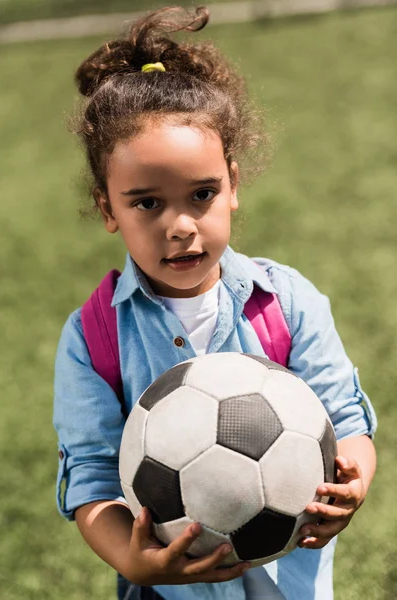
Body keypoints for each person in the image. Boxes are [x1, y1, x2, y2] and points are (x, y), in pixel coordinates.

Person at [53, 6, 377, 600]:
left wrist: (353, 483)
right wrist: (138, 561)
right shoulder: (93, 338)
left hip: (292, 585)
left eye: (201, 195)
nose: (180, 226)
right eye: (146, 203)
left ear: (232, 185)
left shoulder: (288, 303)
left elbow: (348, 423)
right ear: (108, 209)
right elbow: (92, 483)